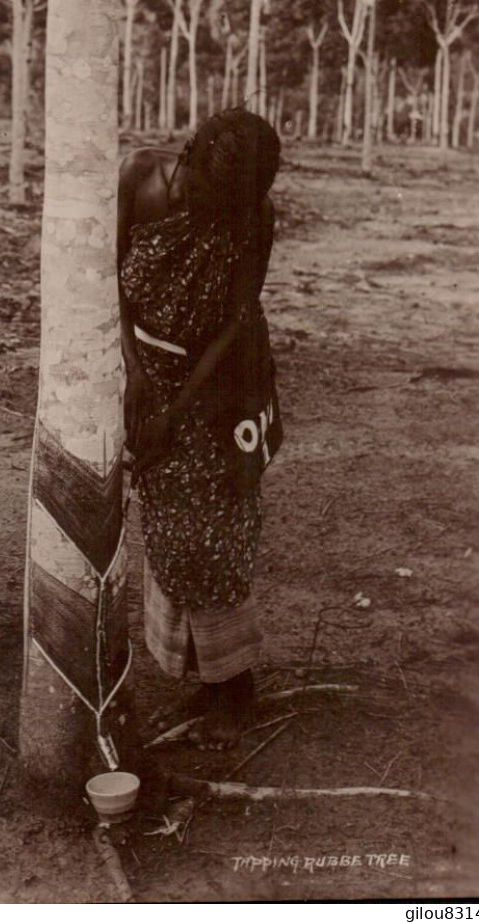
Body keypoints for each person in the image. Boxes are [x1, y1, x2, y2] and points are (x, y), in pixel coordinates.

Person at [117, 107, 281, 749]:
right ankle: (199, 670)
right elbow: (111, 282)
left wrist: (177, 411)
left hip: (221, 382)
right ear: (185, 159)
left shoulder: (252, 214)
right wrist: (135, 376)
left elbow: (237, 319)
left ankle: (234, 687)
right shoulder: (138, 176)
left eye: (231, 205)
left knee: (214, 529)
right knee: (163, 519)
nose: (218, 215)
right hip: (142, 370)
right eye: (210, 198)